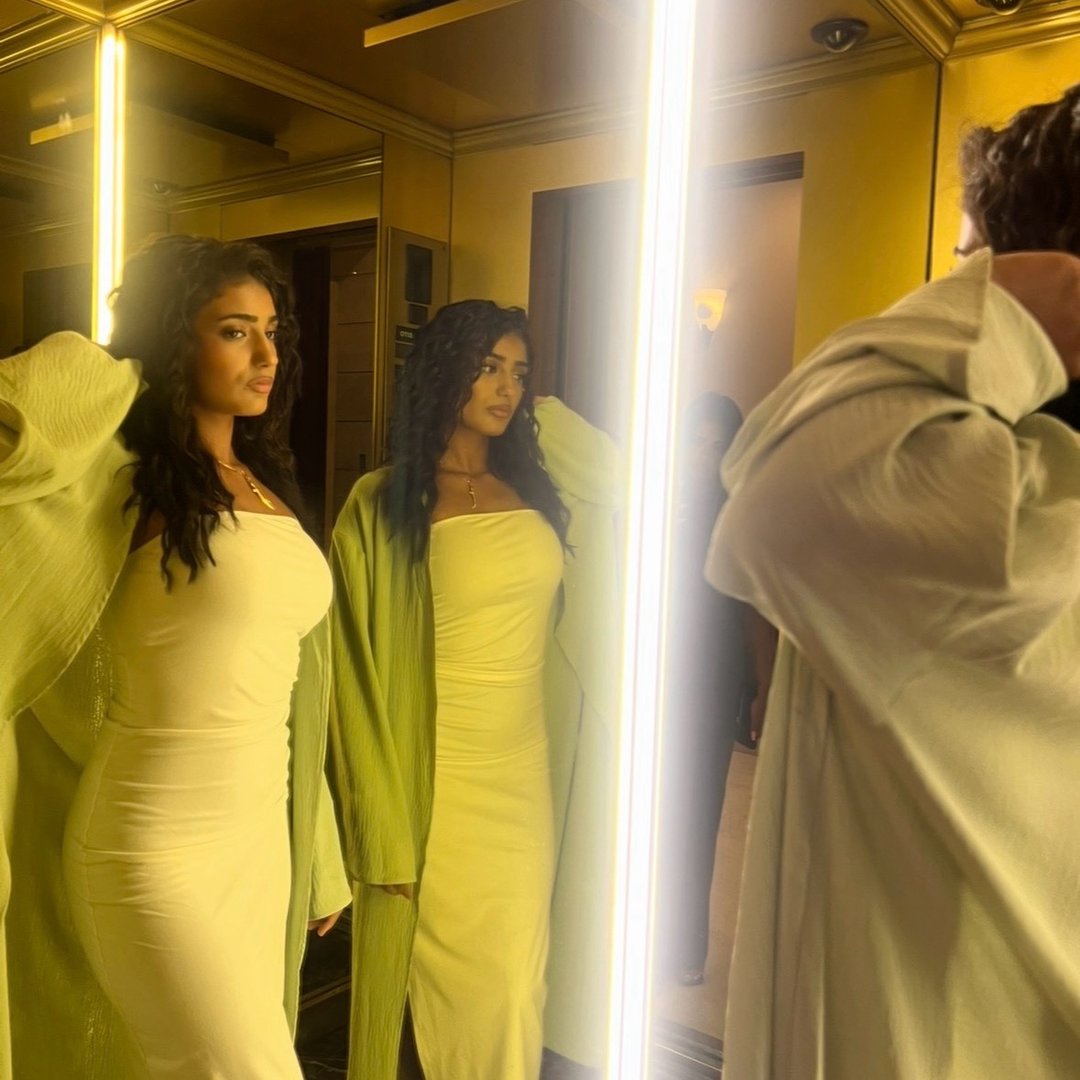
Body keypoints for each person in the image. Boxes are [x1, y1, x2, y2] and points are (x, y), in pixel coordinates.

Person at [706, 88, 1080, 1079]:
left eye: (965, 265)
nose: (950, 290)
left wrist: (1008, 305)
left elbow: (775, 492)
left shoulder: (1020, 514)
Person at [1, 234, 349, 1080]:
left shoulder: (266, 483)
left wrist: (321, 849)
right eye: (234, 331)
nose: (266, 355)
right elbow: (18, 430)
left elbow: (285, 685)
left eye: (271, 331)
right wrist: (99, 372)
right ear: (171, 337)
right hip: (151, 849)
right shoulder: (119, 481)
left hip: (257, 845)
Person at [326, 300, 619, 1079]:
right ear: (443, 372)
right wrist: (376, 824)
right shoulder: (385, 502)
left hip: (524, 775)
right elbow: (351, 675)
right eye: (488, 367)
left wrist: (548, 414)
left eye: (518, 372)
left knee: (517, 986)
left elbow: (632, 483)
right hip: (436, 780)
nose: (506, 388)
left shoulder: (541, 486)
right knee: (444, 992)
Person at [658, 393, 753, 987]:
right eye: (696, 440)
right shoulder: (654, 502)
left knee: (696, 815)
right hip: (654, 677)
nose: (703, 455)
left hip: (710, 685)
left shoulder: (735, 517)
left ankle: (685, 949)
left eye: (717, 446)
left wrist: (750, 690)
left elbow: (747, 612)